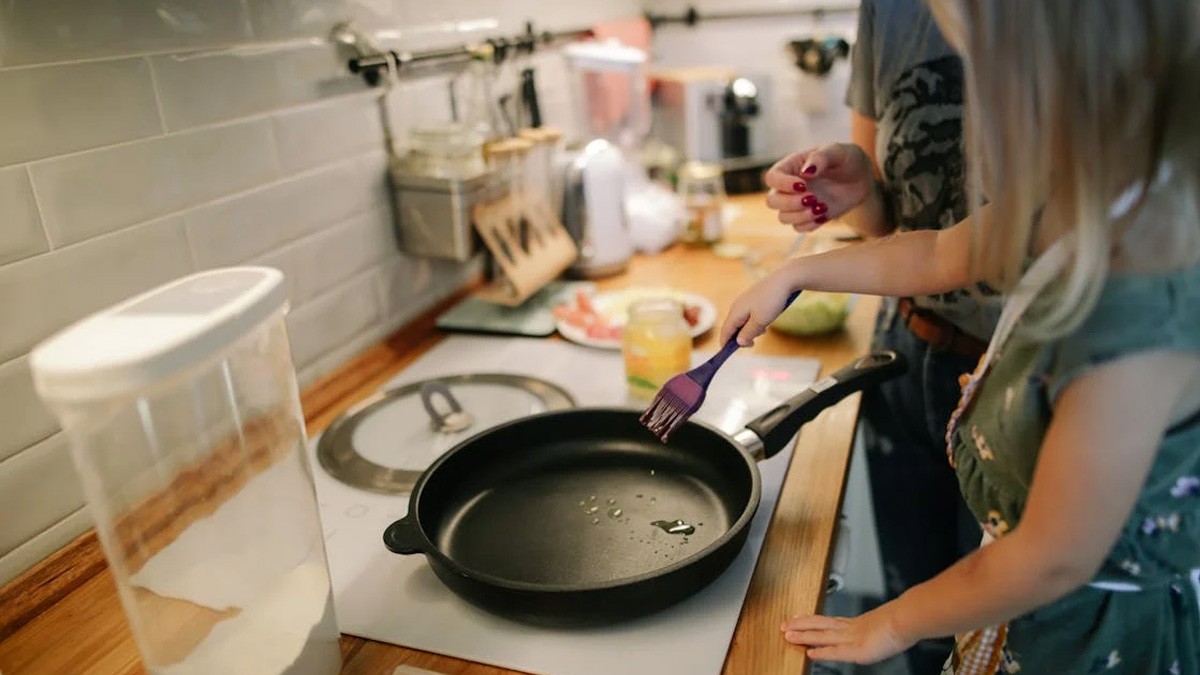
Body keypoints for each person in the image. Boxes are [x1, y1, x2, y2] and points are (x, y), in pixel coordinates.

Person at [723, 0, 1200, 672]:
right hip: (1016, 606)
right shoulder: (1089, 190)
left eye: (987, 73)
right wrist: (797, 274)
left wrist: (893, 622)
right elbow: (938, 254)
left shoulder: (1137, 314)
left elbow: (1048, 558)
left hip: (1085, 638)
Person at [764, 0, 988, 670]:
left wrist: (891, 623)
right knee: (920, 614)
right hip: (909, 349)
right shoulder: (889, 10)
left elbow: (1045, 562)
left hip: (1027, 375)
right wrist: (858, 185)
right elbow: (913, 238)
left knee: (996, 630)